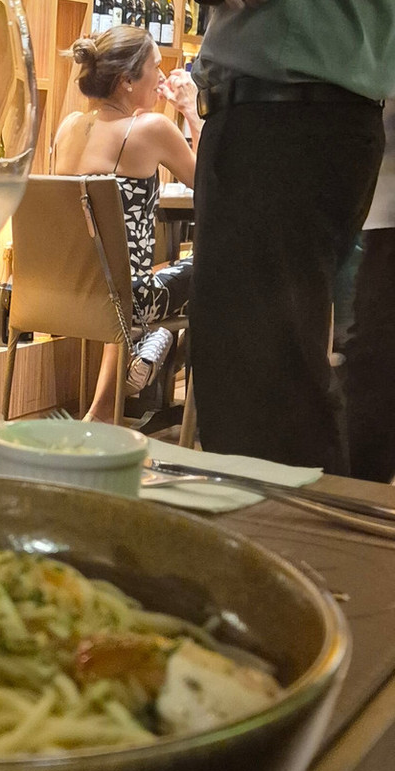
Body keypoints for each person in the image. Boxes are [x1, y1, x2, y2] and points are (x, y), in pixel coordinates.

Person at [187, 1, 395, 477]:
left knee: (261, 399)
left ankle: (292, 526)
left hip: (280, 120)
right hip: (312, 117)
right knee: (279, 378)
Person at [51, 26, 203, 423]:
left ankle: (112, 398)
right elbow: (211, 181)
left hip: (64, 292)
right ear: (127, 81)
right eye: (156, 67)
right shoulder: (151, 128)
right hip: (128, 300)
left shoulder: (68, 127)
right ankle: (159, 367)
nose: (162, 76)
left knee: (135, 276)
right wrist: (191, 110)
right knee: (213, 265)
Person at [345, 98, 395, 483]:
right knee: (373, 361)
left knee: (374, 361)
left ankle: (361, 495)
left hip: (382, 218)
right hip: (379, 214)